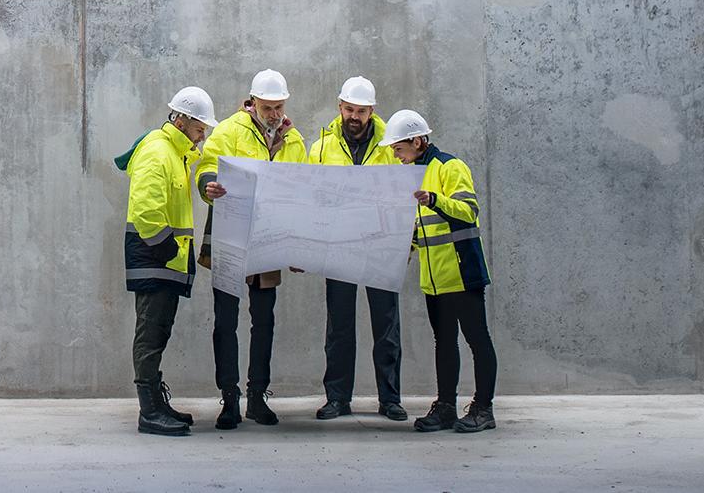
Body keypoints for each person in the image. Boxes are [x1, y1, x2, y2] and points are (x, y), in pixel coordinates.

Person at [195, 69, 307, 429]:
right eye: (267, 106)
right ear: (252, 101)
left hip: (268, 237)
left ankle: (257, 398)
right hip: (229, 233)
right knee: (226, 321)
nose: (273, 113)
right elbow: (207, 165)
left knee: (265, 321)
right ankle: (229, 399)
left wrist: (297, 245)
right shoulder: (228, 130)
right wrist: (209, 184)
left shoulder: (295, 141)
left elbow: (301, 190)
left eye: (278, 107)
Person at [380, 109, 497, 433]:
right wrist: (406, 248)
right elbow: (424, 228)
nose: (396, 155)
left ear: (417, 141)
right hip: (434, 278)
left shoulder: (449, 166)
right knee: (444, 342)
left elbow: (468, 211)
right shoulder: (414, 173)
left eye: (399, 149)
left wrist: (434, 199)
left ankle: (483, 409)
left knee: (477, 339)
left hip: (462, 270)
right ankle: (446, 405)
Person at [116, 86, 219, 436]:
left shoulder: (176, 153)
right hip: (155, 259)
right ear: (183, 119)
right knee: (150, 333)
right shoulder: (158, 152)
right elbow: (146, 211)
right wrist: (167, 251)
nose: (203, 132)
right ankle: (148, 412)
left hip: (165, 261)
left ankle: (157, 403)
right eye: (200, 126)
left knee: (158, 331)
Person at [306, 77, 407, 422]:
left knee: (386, 326)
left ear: (372, 111)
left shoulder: (391, 145)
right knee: (339, 327)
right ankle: (337, 398)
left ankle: (390, 399)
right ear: (340, 107)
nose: (354, 116)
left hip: (381, 247)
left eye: (361, 111)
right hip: (339, 246)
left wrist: (405, 241)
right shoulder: (319, 149)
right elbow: (310, 198)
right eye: (349, 109)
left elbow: (405, 195)